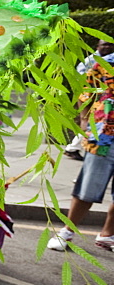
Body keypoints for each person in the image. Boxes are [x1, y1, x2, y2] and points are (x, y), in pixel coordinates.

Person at [48, 48, 114, 251]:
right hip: (105, 134)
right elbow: (85, 90)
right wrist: (85, 120)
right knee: (88, 186)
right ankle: (67, 232)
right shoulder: (107, 63)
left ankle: (107, 235)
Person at [63, 40, 114, 161]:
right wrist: (83, 116)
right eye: (104, 44)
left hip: (101, 101)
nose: (107, 47)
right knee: (93, 126)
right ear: (98, 46)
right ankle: (73, 148)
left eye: (110, 45)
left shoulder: (108, 61)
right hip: (92, 99)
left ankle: (73, 148)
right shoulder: (91, 62)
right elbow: (82, 84)